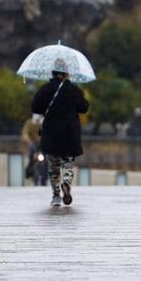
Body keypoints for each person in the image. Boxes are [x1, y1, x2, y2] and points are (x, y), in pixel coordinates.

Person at [31, 63, 90, 207]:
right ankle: (66, 184)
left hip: (51, 134)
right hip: (70, 135)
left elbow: (35, 107)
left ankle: (56, 195)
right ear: (67, 73)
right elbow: (84, 108)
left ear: (53, 73)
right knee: (68, 164)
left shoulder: (45, 90)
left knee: (54, 167)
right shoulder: (74, 90)